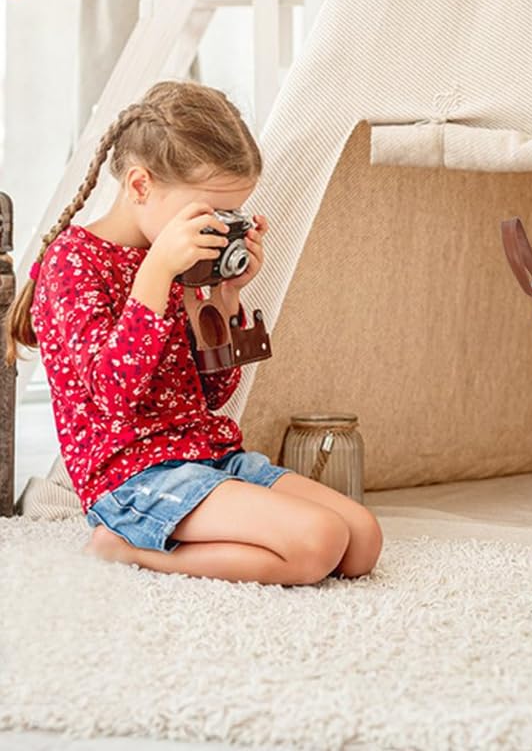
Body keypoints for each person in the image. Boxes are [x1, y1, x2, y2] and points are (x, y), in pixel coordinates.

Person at [5, 80, 382, 585]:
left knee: (360, 541)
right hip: (134, 478)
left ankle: (209, 530)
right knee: (318, 544)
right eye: (207, 213)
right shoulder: (75, 262)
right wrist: (157, 275)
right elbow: (114, 396)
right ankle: (121, 547)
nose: (217, 228)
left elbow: (212, 395)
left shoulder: (180, 259)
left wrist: (224, 300)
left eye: (228, 215)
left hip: (210, 457)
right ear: (141, 186)